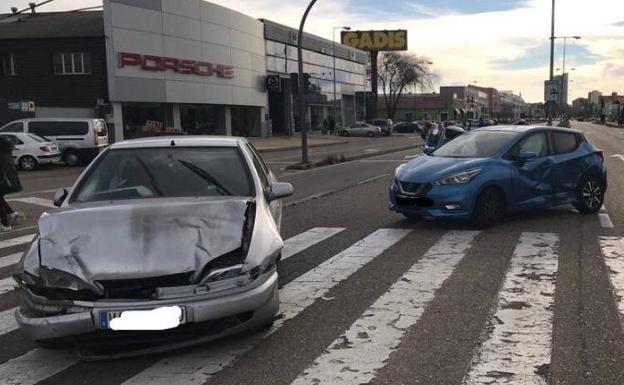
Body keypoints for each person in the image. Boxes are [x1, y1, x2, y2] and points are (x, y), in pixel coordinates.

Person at [0, 135, 23, 231]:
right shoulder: (4, 145)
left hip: (2, 177)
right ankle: (11, 213)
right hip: (7, 176)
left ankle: (5, 224)